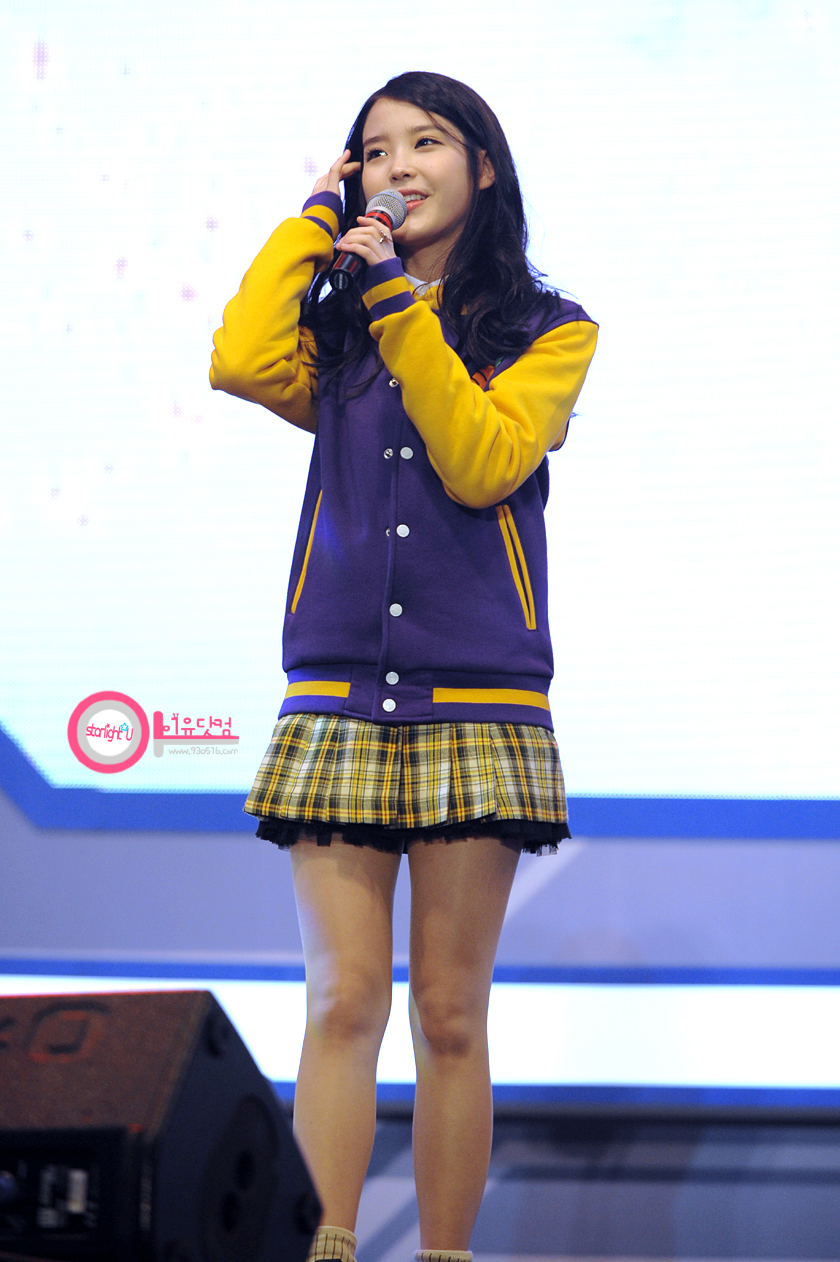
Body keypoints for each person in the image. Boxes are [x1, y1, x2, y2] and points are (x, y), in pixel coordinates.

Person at [210, 71, 597, 1262]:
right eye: (374, 151)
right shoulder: (338, 329)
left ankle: (442, 1253)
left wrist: (394, 301)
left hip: (478, 697)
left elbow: (480, 461)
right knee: (340, 1000)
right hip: (336, 692)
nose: (396, 168)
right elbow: (239, 358)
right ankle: (322, 1246)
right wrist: (314, 226)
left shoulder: (548, 330)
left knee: (448, 1012)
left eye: (425, 143)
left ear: (483, 167)